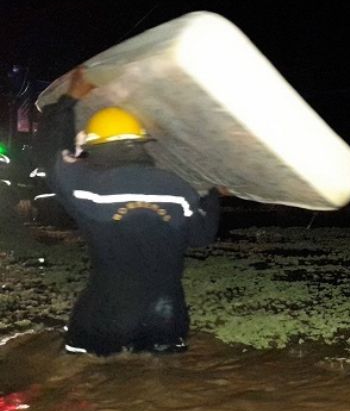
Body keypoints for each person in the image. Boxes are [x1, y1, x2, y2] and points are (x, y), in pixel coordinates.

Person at [34, 67, 221, 356]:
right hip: (166, 312)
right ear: (140, 144)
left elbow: (51, 153)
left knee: (82, 374)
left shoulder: (85, 187)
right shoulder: (178, 189)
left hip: (106, 312)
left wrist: (69, 101)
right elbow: (201, 237)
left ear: (98, 147)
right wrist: (213, 197)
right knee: (160, 376)